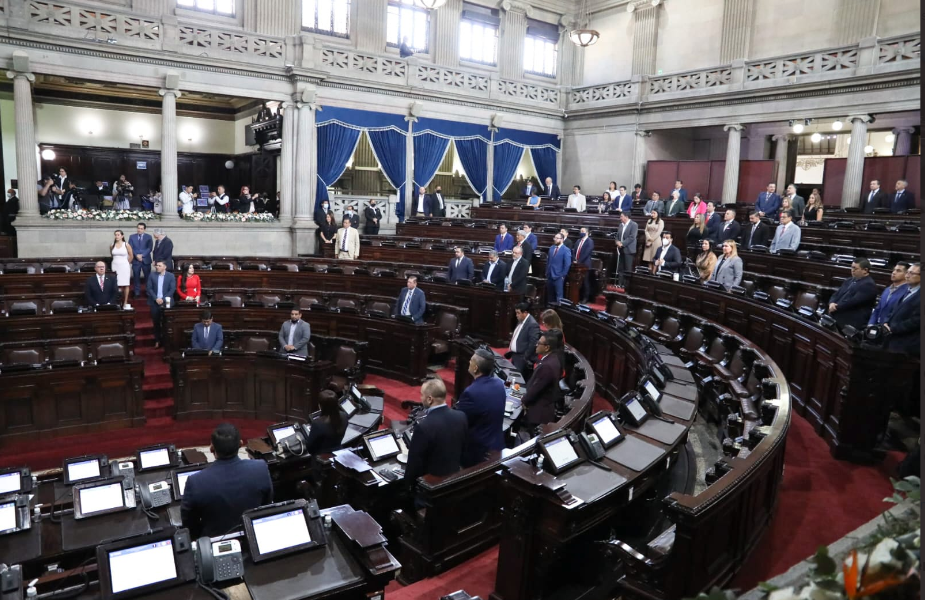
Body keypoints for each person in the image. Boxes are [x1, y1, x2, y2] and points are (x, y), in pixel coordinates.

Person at [181, 423, 273, 538]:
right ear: (240, 444)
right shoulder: (260, 468)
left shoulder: (195, 481)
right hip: (253, 537)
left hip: (213, 544)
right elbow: (266, 505)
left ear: (211, 448)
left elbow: (188, 525)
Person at [405, 378, 468, 485]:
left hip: (431, 487)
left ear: (430, 399)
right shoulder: (461, 416)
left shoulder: (424, 427)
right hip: (455, 479)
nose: (420, 398)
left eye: (422, 395)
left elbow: (414, 465)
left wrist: (407, 486)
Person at [456, 350, 506, 467]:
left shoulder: (471, 392)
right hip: (498, 444)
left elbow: (460, 422)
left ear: (475, 368)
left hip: (478, 453)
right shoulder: (499, 384)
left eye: (471, 360)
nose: (469, 361)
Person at [521, 329, 563, 428]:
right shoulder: (552, 359)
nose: (536, 345)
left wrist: (524, 400)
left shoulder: (547, 366)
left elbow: (536, 388)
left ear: (547, 347)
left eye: (539, 343)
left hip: (538, 414)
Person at [827, 259, 878, 330]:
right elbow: (836, 294)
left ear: (865, 270)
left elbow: (852, 302)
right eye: (852, 267)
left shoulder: (869, 285)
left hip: (850, 323)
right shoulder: (849, 280)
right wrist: (831, 303)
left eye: (855, 268)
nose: (852, 270)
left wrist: (835, 307)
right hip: (837, 318)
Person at [884, 263, 920, 354]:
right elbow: (893, 310)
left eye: (912, 273)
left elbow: (916, 320)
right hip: (892, 339)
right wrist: (886, 322)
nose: (907, 276)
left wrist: (892, 328)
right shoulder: (907, 290)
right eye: (907, 272)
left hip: (906, 344)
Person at [305, 390, 350, 454]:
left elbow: (310, 448)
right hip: (338, 452)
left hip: (321, 458)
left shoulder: (318, 424)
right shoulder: (344, 416)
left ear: (320, 406)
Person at [506, 303, 541, 380]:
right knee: (513, 378)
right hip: (515, 356)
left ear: (525, 313)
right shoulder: (521, 320)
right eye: (516, 313)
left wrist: (525, 357)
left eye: (518, 313)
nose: (516, 315)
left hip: (522, 358)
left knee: (518, 381)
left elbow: (533, 342)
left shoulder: (532, 324)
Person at [146, 260, 176, 349]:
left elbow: (172, 289)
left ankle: (167, 341)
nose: (157, 267)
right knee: (156, 322)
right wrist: (156, 298)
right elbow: (149, 288)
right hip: (154, 302)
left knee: (167, 323)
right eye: (156, 266)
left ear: (164, 267)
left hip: (166, 302)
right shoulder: (152, 275)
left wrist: (162, 299)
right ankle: (157, 340)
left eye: (159, 265)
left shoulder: (171, 276)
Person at [546, 233, 571, 305]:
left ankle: (558, 312)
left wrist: (563, 275)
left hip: (559, 276)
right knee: (550, 295)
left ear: (562, 239)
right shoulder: (552, 248)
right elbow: (548, 261)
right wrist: (547, 272)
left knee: (559, 296)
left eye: (557, 238)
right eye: (555, 238)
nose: (555, 239)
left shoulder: (566, 250)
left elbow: (567, 264)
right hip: (550, 275)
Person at [110, 230, 133, 307]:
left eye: (118, 235)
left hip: (124, 266)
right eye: (115, 235)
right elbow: (112, 255)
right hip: (115, 265)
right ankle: (116, 301)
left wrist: (126, 263)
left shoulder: (126, 245)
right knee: (116, 283)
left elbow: (131, 256)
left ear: (122, 236)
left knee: (126, 284)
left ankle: (125, 302)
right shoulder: (112, 245)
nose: (117, 236)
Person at [614, 212, 637, 289]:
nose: (620, 218)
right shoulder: (621, 225)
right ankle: (620, 284)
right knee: (620, 268)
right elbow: (617, 236)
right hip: (621, 250)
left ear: (626, 217)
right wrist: (617, 242)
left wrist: (622, 243)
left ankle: (626, 286)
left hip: (629, 250)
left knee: (627, 269)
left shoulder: (634, 225)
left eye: (621, 216)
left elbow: (632, 237)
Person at [131, 223, 154, 298]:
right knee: (136, 277)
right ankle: (137, 292)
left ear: (144, 229)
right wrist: (136, 255)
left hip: (146, 260)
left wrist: (142, 255)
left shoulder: (149, 237)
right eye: (138, 228)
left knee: (147, 277)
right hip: (136, 260)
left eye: (141, 228)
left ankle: (148, 292)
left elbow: (149, 248)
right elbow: (130, 248)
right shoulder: (132, 237)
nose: (139, 230)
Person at [573, 227, 594, 303]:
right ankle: (577, 297)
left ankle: (586, 297)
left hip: (585, 265)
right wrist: (574, 259)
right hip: (577, 265)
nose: (581, 232)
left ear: (587, 233)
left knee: (585, 282)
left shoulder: (590, 241)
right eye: (580, 231)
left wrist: (578, 261)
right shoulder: (578, 241)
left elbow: (586, 253)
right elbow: (574, 251)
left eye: (583, 231)